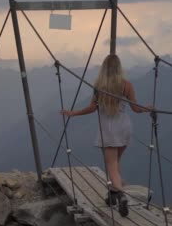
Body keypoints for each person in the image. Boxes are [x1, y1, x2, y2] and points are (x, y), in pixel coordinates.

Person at [61, 54, 150, 217]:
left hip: (108, 129)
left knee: (112, 164)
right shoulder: (127, 85)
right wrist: (147, 108)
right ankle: (112, 194)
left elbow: (91, 108)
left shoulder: (99, 86)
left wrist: (73, 113)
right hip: (124, 127)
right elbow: (136, 109)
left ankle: (121, 196)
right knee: (115, 163)